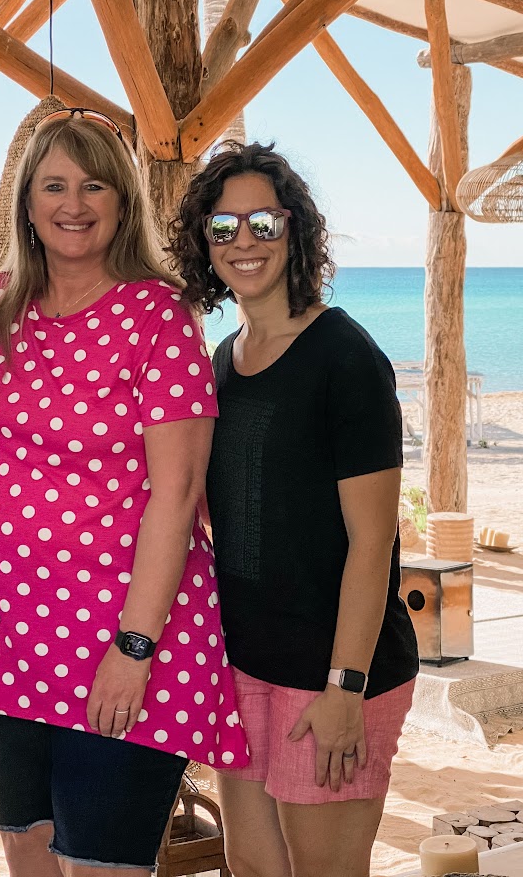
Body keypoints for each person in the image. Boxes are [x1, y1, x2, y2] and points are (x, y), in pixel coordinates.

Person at [0, 109, 249, 877]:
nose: (73, 203)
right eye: (54, 184)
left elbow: (177, 492)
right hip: (0, 632)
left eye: (94, 185)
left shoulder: (159, 314)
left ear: (123, 201)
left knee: (102, 866)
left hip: (122, 637)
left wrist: (133, 647)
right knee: (28, 848)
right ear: (27, 201)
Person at [168, 141, 419, 877]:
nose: (243, 241)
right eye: (224, 227)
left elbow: (374, 542)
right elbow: (229, 514)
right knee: (250, 867)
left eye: (263, 223)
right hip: (244, 666)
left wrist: (346, 686)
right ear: (204, 243)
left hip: (334, 672)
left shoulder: (347, 358)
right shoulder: (222, 359)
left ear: (294, 232)